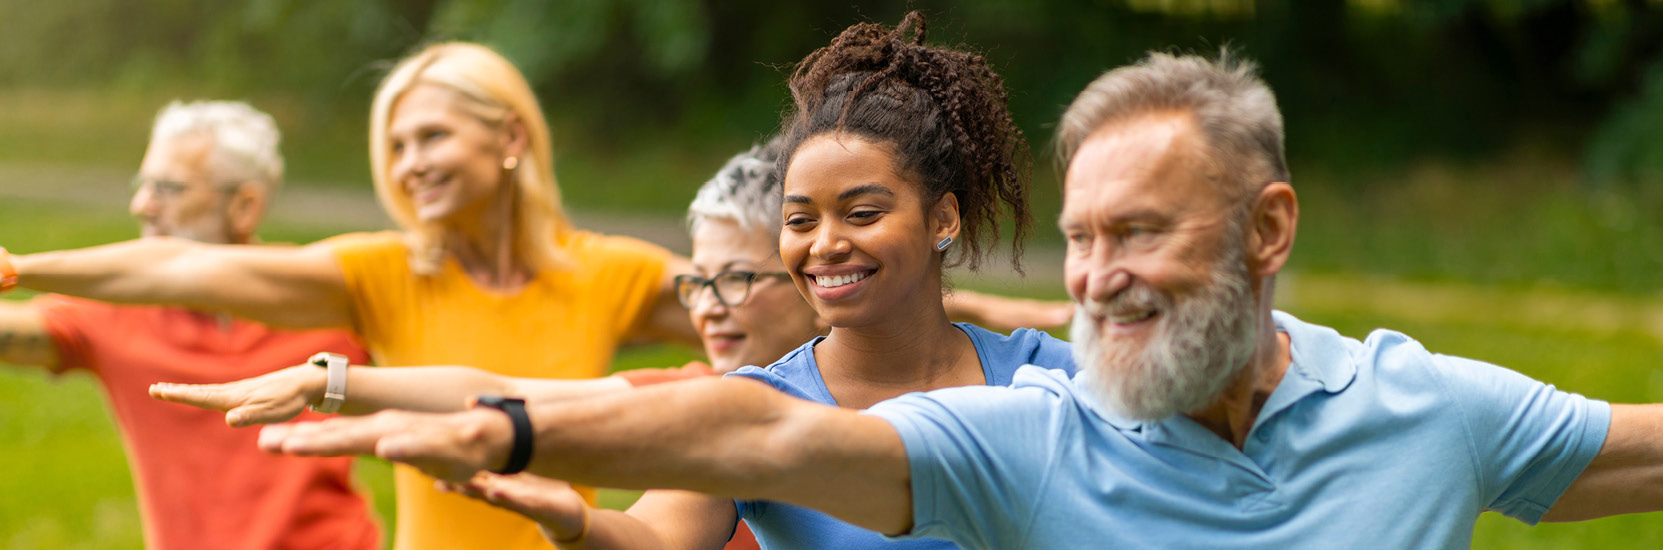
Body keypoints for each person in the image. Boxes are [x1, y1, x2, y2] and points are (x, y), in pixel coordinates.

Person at [251, 51, 1663, 549]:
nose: (1095, 276)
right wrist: (497, 424)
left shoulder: (1424, 407)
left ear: (1269, 226)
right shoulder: (1031, 438)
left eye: (1139, 232)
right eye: (1078, 240)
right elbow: (746, 435)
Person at [164, 12, 1074, 550]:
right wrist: (575, 524)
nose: (824, 244)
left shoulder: (1044, 379)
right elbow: (640, 519)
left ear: (944, 219)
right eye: (800, 221)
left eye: (862, 213)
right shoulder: (754, 404)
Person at [3, 43, 700, 550]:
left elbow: (746, 312)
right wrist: (20, 266)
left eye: (431, 137)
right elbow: (184, 267)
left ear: (511, 135)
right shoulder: (386, 274)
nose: (410, 165)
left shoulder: (607, 274)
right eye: (396, 146)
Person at [0, 101, 377, 549]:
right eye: (143, 184)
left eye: (168, 188)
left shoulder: (324, 294)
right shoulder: (117, 310)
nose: (142, 205)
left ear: (245, 206)